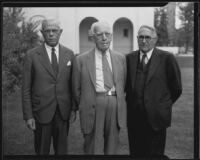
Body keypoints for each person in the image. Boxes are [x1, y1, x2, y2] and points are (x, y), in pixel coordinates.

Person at [125, 25, 182, 158]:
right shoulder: (129, 58)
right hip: (134, 118)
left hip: (156, 118)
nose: (144, 40)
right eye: (141, 37)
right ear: (137, 39)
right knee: (136, 153)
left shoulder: (167, 58)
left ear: (155, 39)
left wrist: (162, 104)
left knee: (155, 155)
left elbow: (177, 88)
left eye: (147, 37)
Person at [22, 19, 76, 155]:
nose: (51, 34)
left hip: (63, 112)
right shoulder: (32, 55)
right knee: (41, 151)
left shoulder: (69, 54)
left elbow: (73, 84)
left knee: (62, 151)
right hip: (41, 112)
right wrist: (28, 115)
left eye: (54, 31)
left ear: (60, 32)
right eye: (47, 31)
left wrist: (74, 108)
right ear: (42, 33)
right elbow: (26, 88)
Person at [72, 21, 127, 154]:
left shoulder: (121, 58)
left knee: (112, 145)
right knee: (92, 146)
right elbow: (76, 89)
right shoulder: (81, 60)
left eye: (107, 34)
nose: (104, 38)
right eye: (99, 34)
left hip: (114, 104)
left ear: (111, 36)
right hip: (93, 102)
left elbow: (123, 84)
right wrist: (85, 102)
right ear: (92, 37)